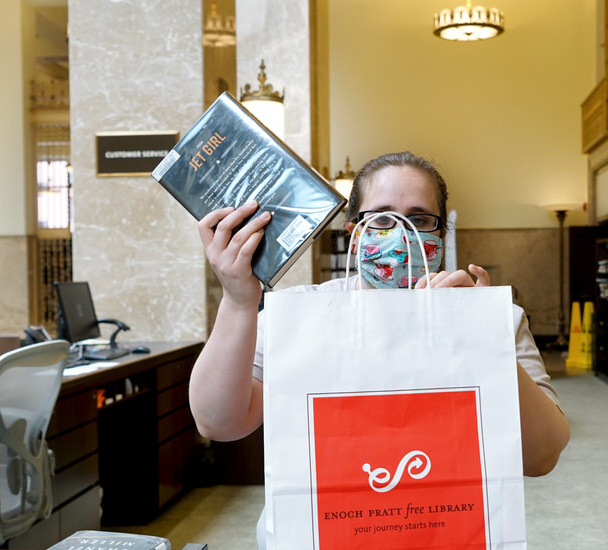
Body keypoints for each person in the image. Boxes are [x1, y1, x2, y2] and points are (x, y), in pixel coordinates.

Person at [189, 151, 570, 483]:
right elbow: (220, 423)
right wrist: (239, 302)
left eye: (419, 220)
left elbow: (542, 456)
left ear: (442, 232)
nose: (401, 233)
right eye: (382, 219)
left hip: (446, 541)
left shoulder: (497, 318)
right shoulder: (298, 317)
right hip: (320, 549)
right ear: (354, 231)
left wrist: (482, 333)